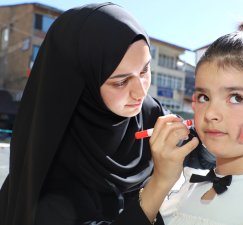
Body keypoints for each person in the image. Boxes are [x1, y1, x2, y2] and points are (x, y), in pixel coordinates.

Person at [0, 3, 215, 225]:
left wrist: (214, 133)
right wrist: (160, 182)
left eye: (144, 70)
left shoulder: (149, 112)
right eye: (120, 82)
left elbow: (198, 149)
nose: (141, 92)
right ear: (83, 84)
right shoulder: (48, 158)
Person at [138, 15, 243, 225]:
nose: (211, 113)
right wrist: (160, 179)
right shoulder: (183, 188)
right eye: (204, 97)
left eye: (236, 97)